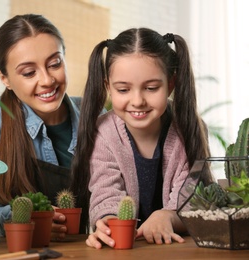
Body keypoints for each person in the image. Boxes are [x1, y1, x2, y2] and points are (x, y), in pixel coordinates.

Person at [69, 28, 211, 249]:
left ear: (170, 84)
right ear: (108, 87)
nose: (137, 101)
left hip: (178, 248)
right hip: (128, 249)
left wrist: (167, 216)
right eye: (123, 89)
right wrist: (108, 223)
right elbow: (105, 190)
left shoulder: (188, 128)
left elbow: (192, 196)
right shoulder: (104, 132)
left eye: (151, 88)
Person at [0, 14, 82, 240]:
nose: (47, 80)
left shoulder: (94, 115)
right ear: (4, 78)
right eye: (29, 72)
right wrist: (26, 220)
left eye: (55, 63)